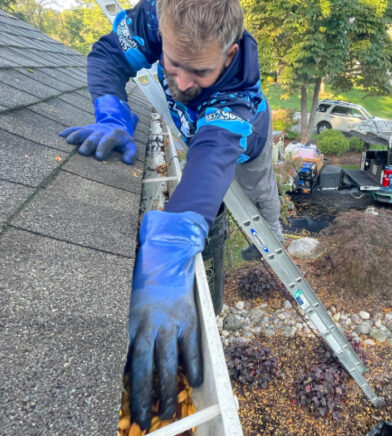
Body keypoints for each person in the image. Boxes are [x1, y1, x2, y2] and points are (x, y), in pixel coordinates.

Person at [57, 0, 283, 430]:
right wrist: (113, 114)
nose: (180, 81)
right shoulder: (155, 17)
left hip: (243, 138)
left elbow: (214, 156)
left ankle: (272, 231)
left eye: (199, 72)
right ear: (163, 29)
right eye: (174, 65)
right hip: (199, 127)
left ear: (229, 55)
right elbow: (108, 54)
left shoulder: (239, 94)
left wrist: (168, 250)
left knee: (257, 189)